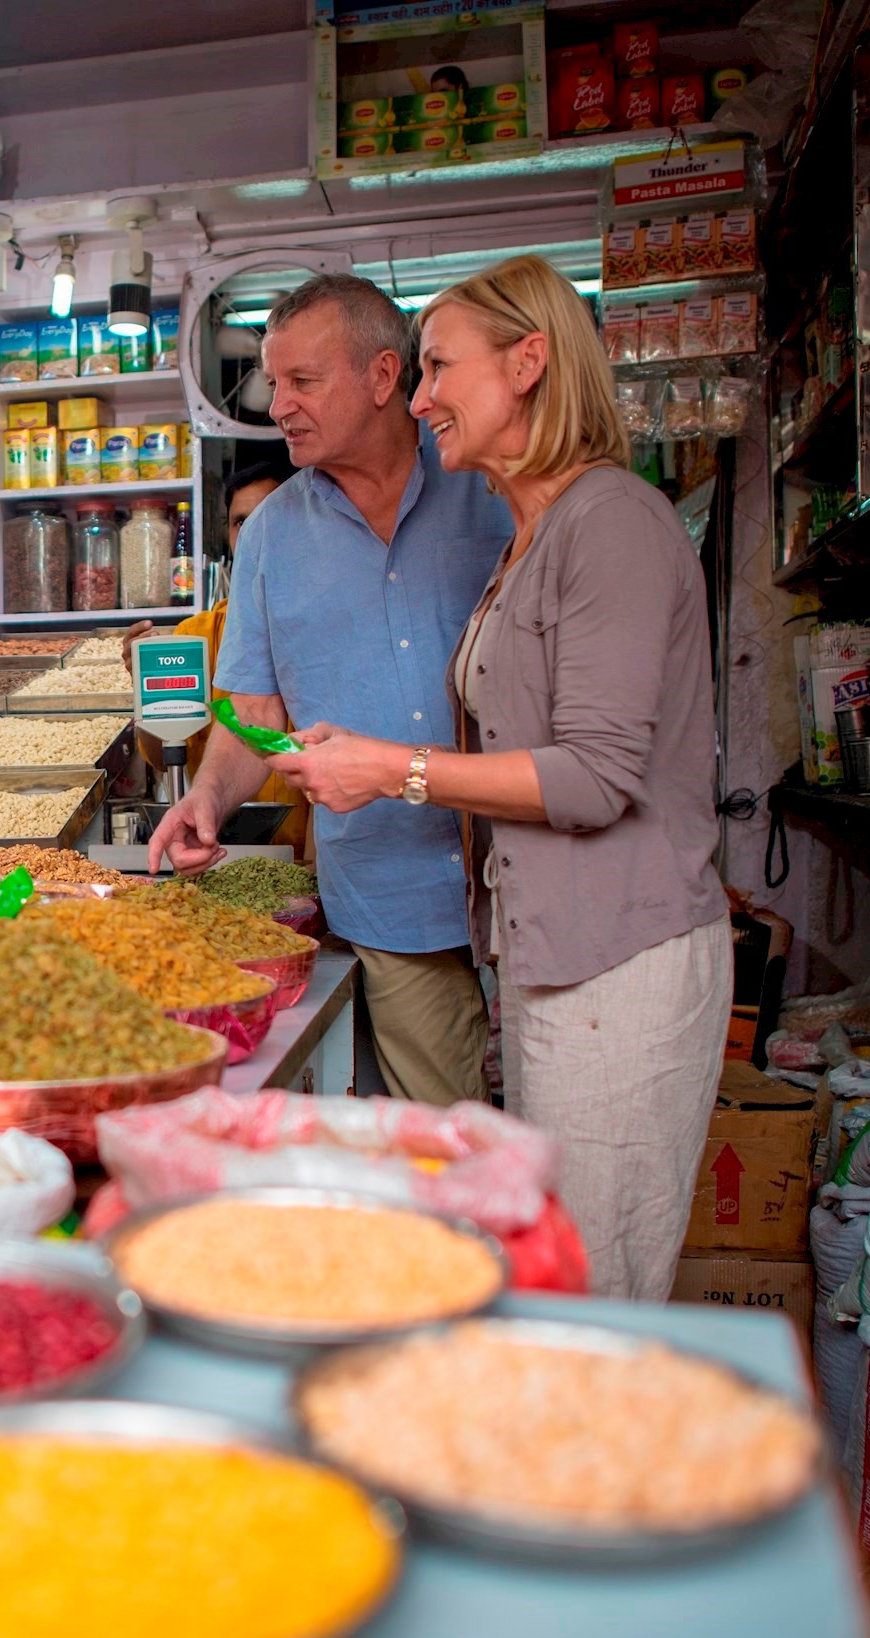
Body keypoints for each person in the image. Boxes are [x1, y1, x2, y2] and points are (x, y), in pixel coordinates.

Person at [268, 255, 727, 1301]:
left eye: (439, 367)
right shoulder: (533, 534)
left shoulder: (608, 520)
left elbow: (599, 777)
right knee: (559, 1267)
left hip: (625, 956)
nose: (420, 395)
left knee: (596, 1292)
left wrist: (389, 770)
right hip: (556, 954)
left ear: (528, 363)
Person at [150, 273, 513, 1105]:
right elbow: (253, 716)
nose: (280, 407)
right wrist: (208, 798)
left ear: (385, 378)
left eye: (303, 382)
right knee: (442, 1144)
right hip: (390, 898)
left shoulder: (490, 487)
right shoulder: (274, 535)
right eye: (275, 384)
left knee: (568, 1149)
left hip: (534, 882)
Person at [122, 460, 308, 854]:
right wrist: (147, 689)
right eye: (241, 522)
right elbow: (163, 757)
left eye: (266, 516)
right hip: (216, 847)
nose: (253, 532)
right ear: (227, 533)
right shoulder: (196, 637)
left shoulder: (326, 632)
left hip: (313, 859)